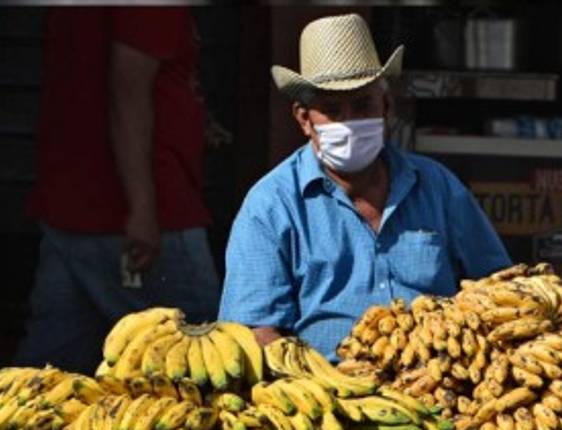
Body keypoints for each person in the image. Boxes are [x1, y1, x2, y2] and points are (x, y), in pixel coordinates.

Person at [219, 14, 511, 359]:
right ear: (304, 119)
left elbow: (499, 289)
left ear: (386, 107)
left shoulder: (437, 187)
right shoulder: (272, 205)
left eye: (363, 105)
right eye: (332, 110)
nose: (350, 122)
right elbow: (255, 330)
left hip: (441, 379)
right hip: (328, 389)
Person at [16, 7, 221, 375]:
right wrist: (141, 208)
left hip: (72, 207)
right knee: (203, 361)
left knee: (48, 374)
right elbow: (127, 90)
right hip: (139, 211)